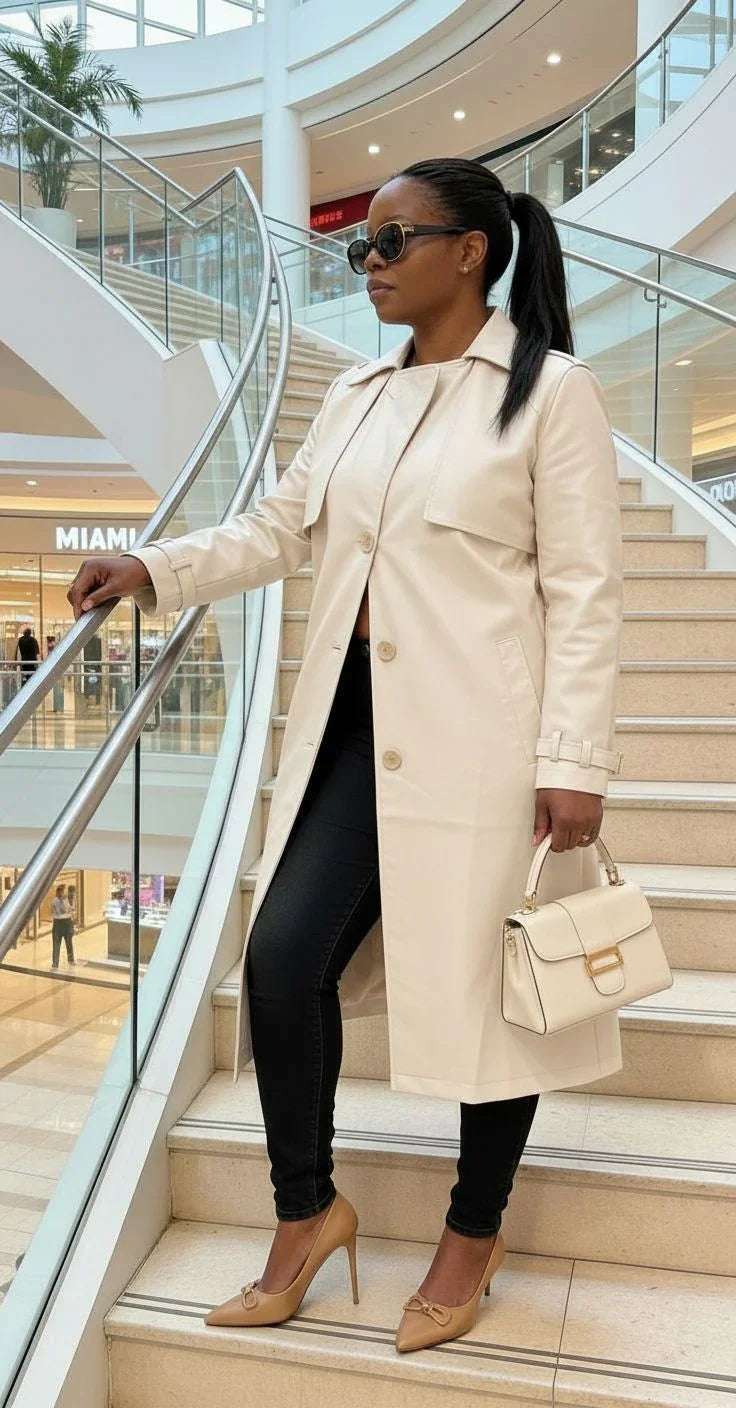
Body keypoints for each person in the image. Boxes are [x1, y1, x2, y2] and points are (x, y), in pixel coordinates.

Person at [66, 157, 624, 1353]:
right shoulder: (357, 397)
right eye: (354, 250)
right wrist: (155, 565)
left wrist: (573, 759)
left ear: (469, 250)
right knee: (278, 959)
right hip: (353, 726)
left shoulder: (550, 393)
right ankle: (307, 1211)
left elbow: (585, 591)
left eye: (387, 243)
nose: (364, 266)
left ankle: (473, 1233)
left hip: (488, 739)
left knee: (494, 992)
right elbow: (280, 527)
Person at [50, 884, 75, 969]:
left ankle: (71, 960)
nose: (63, 894)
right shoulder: (55, 901)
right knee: (56, 944)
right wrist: (63, 902)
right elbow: (61, 911)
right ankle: (55, 963)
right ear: (58, 892)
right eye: (62, 891)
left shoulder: (68, 900)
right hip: (58, 923)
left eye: (64, 892)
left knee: (69, 943)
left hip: (67, 922)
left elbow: (71, 910)